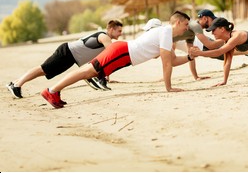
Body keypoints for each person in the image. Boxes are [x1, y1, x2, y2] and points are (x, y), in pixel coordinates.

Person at [40, 11, 193, 108]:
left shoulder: (165, 33)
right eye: (185, 24)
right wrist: (169, 88)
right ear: (177, 22)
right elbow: (166, 63)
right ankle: (52, 91)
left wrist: (190, 56)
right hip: (122, 52)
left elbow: (172, 61)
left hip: (124, 54)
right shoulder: (166, 32)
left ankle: (54, 91)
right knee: (87, 72)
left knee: (87, 72)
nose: (187, 28)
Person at [6, 19, 123, 99]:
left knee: (44, 71)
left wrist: (105, 76)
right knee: (43, 69)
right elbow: (110, 55)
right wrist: (106, 75)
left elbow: (101, 59)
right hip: (67, 52)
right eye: (119, 31)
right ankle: (17, 85)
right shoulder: (104, 37)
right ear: (111, 29)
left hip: (71, 57)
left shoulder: (104, 37)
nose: (120, 34)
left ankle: (15, 83)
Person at [173, 9, 248, 80]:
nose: (213, 24)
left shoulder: (190, 30)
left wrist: (196, 76)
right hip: (204, 43)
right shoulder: (196, 26)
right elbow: (210, 46)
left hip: (201, 42)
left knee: (225, 51)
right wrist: (228, 38)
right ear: (205, 18)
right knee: (223, 52)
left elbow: (191, 55)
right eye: (212, 20)